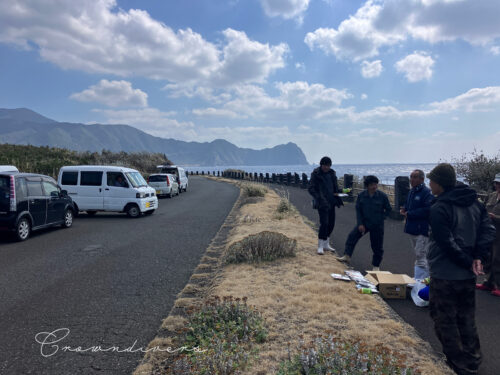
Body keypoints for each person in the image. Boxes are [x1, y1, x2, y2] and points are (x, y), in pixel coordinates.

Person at [426, 163, 495, 375]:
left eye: (432, 181)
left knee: (444, 319)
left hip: (446, 272)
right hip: (468, 274)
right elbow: (488, 231)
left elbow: (446, 242)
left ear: (440, 183)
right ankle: (473, 359)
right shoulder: (475, 203)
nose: (430, 184)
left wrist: (468, 261)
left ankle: (458, 364)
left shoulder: (440, 207)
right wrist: (478, 258)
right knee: (466, 317)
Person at [336, 175, 391, 271]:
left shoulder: (382, 196)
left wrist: (381, 218)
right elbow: (358, 210)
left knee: (377, 245)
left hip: (377, 225)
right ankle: (347, 256)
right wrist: (360, 223)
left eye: (375, 184)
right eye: (372, 185)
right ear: (367, 186)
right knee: (352, 237)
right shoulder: (361, 195)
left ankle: (376, 266)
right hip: (364, 223)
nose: (374, 186)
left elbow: (388, 210)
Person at [400, 169, 434, 280]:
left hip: (422, 229)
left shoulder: (426, 192)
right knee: (418, 254)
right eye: (411, 177)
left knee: (421, 255)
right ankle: (422, 279)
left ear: (422, 179)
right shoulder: (412, 191)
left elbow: (428, 210)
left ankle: (420, 281)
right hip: (412, 228)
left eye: (415, 177)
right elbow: (408, 203)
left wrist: (410, 213)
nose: (412, 179)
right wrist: (404, 208)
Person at [308, 156, 343, 255]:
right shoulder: (316, 174)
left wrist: (342, 192)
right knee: (324, 223)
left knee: (331, 224)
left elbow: (335, 188)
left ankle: (326, 244)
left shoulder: (332, 174)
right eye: (325, 165)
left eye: (328, 165)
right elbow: (311, 188)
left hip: (332, 202)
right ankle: (320, 246)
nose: (326, 167)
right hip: (322, 203)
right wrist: (318, 198)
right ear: (321, 165)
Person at [476, 173, 500, 297]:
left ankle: (499, 286)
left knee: (497, 259)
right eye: (496, 183)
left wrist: (494, 217)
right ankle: (489, 282)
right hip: (489, 232)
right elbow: (483, 209)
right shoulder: (492, 196)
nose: (497, 186)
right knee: (488, 258)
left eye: (499, 183)